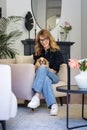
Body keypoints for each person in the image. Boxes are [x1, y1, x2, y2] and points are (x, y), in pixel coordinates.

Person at [27, 29, 64, 116]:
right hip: (45, 77)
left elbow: (54, 70)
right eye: (41, 40)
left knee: (43, 69)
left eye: (45, 39)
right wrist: (37, 65)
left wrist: (44, 67)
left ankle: (36, 96)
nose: (44, 42)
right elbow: (35, 69)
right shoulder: (38, 52)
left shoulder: (56, 52)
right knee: (46, 80)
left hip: (54, 77)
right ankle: (53, 105)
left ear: (49, 38)